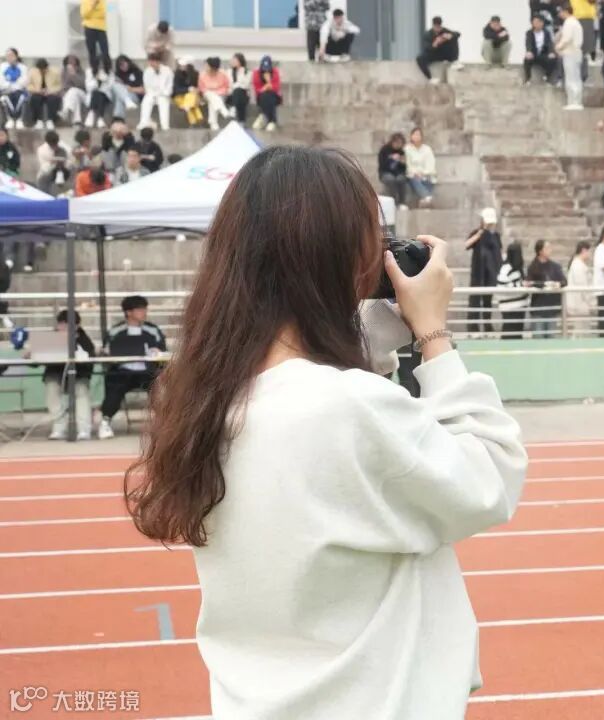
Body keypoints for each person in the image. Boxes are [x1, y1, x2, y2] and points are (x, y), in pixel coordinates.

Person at [123, 146, 527, 719]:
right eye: (371, 240)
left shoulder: (205, 398)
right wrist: (432, 332)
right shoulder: (345, 406)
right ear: (337, 258)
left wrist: (370, 332)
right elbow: (489, 477)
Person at [99, 295, 166, 439]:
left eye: (145, 309)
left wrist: (157, 351)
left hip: (147, 371)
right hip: (122, 372)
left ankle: (163, 423)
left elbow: (162, 350)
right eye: (140, 309)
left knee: (158, 387)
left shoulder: (153, 330)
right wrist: (107, 352)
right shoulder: (115, 331)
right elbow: (106, 351)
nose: (144, 312)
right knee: (113, 387)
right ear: (128, 312)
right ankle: (105, 422)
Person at [38, 310, 96, 441]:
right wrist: (30, 353)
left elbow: (90, 359)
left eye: (67, 324)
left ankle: (84, 428)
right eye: (61, 324)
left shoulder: (83, 339)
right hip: (55, 375)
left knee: (81, 391)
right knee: (52, 389)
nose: (63, 327)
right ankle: (59, 426)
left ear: (77, 326)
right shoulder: (50, 338)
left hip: (79, 376)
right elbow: (35, 361)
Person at [465, 208, 502, 336]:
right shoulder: (477, 233)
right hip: (478, 272)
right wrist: (480, 234)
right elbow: (466, 245)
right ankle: (473, 328)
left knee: (487, 301)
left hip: (490, 273)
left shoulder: (496, 236)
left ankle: (487, 326)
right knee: (474, 300)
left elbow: (499, 252)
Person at [526, 240, 568, 338]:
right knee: (538, 336)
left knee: (551, 337)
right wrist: (544, 284)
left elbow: (564, 281)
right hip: (538, 308)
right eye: (547, 248)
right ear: (540, 251)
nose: (550, 250)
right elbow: (529, 283)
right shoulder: (533, 267)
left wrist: (557, 284)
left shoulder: (555, 266)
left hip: (552, 307)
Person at [496, 242, 529, 339]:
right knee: (509, 333)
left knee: (517, 334)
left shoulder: (518, 268)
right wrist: (521, 285)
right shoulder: (506, 268)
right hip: (510, 307)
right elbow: (501, 284)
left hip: (520, 306)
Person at [556, 5, 586, 110]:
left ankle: (573, 101)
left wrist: (558, 47)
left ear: (566, 11)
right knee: (576, 77)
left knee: (571, 78)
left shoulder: (569, 23)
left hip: (570, 52)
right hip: (576, 52)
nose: (559, 14)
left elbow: (567, 38)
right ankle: (576, 100)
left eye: (561, 12)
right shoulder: (576, 22)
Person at [417, 17, 461, 84]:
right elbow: (426, 48)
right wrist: (435, 44)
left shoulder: (444, 31)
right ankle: (430, 78)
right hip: (434, 54)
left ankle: (455, 61)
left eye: (439, 27)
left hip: (444, 53)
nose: (438, 29)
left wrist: (449, 35)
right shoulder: (428, 34)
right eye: (436, 27)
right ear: (433, 26)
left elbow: (458, 34)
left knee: (453, 38)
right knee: (419, 58)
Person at [566, 241, 595, 337]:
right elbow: (582, 287)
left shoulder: (579, 265)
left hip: (581, 304)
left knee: (582, 331)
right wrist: (591, 302)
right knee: (580, 331)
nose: (590, 254)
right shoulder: (577, 266)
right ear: (583, 251)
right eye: (589, 251)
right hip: (579, 303)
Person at [138, 53, 173, 131]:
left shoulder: (167, 71)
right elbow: (147, 87)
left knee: (163, 102)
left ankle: (165, 126)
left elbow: (169, 86)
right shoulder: (147, 71)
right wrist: (153, 94)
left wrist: (163, 93)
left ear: (158, 62)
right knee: (146, 101)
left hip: (163, 94)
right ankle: (143, 123)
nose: (152, 64)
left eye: (153, 61)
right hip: (151, 94)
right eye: (150, 62)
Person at [405, 127, 436, 208]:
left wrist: (423, 173)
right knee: (414, 178)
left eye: (418, 135)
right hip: (412, 175)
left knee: (428, 179)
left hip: (426, 174)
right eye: (414, 134)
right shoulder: (407, 149)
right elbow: (407, 165)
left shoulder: (427, 149)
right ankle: (427, 197)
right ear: (411, 136)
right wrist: (415, 173)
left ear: (422, 137)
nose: (416, 137)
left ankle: (425, 200)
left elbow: (431, 164)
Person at [524, 14, 559, 85]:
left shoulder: (546, 33)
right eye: (534, 22)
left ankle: (547, 77)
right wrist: (529, 51)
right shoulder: (529, 32)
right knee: (527, 59)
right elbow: (528, 43)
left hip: (543, 54)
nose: (535, 24)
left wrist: (551, 52)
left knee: (553, 59)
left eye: (537, 22)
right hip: (533, 54)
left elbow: (550, 43)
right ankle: (528, 79)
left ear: (542, 23)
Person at [198, 57, 232, 131]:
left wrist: (216, 93)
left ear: (212, 67)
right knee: (210, 94)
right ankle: (223, 110)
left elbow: (226, 87)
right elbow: (202, 88)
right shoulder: (202, 75)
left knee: (212, 101)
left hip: (220, 95)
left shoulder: (222, 74)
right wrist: (212, 93)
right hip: (206, 95)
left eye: (207, 65)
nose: (205, 67)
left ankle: (213, 123)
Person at [27, 59, 62, 130]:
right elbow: (29, 85)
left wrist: (50, 91)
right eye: (40, 70)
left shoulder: (55, 72)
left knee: (53, 99)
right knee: (35, 98)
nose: (42, 71)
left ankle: (50, 120)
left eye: (44, 69)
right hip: (38, 92)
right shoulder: (32, 72)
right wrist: (38, 91)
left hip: (51, 92)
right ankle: (38, 120)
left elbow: (59, 85)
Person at [378, 133, 409, 208]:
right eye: (397, 143)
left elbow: (403, 169)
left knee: (401, 179)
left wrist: (402, 163)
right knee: (390, 179)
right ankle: (394, 202)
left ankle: (402, 202)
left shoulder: (401, 152)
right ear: (392, 142)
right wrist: (391, 158)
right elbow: (382, 165)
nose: (398, 145)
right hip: (385, 173)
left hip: (398, 173)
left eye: (400, 143)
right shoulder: (384, 150)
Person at [0, 48, 29, 130]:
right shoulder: (2, 66)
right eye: (7, 56)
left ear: (16, 56)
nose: (9, 57)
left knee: (21, 97)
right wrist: (9, 86)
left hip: (19, 90)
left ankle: (19, 119)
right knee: (5, 98)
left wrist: (14, 87)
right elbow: (1, 80)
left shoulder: (23, 67)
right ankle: (10, 119)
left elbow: (24, 80)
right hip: (6, 89)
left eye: (11, 55)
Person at [81, 0, 111, 76]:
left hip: (101, 28)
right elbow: (84, 14)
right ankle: (94, 71)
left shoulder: (102, 1)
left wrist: (93, 14)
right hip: (89, 27)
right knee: (92, 51)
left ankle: (107, 71)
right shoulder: (85, 1)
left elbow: (103, 14)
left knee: (105, 51)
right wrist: (93, 5)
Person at [252, 56, 282, 132]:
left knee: (269, 95)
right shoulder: (256, 73)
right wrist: (264, 88)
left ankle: (265, 118)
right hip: (260, 97)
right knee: (265, 95)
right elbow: (257, 89)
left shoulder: (275, 72)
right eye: (264, 69)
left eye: (268, 69)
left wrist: (269, 81)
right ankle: (270, 119)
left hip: (274, 96)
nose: (266, 71)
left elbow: (276, 88)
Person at [172, 58, 203, 128]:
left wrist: (194, 90)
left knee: (190, 98)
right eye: (180, 65)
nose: (182, 67)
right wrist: (188, 89)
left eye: (184, 65)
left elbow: (198, 88)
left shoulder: (195, 74)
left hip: (193, 96)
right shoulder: (177, 74)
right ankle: (199, 118)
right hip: (180, 96)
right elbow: (176, 89)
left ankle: (192, 121)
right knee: (191, 103)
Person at [112, 55, 144, 121]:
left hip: (135, 96)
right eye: (121, 65)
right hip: (124, 95)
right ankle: (127, 101)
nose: (123, 66)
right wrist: (124, 87)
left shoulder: (137, 72)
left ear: (128, 62)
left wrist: (131, 89)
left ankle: (117, 120)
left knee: (120, 96)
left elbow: (143, 89)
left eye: (124, 64)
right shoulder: (118, 74)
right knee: (115, 86)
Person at [60, 55, 87, 126]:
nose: (71, 62)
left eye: (73, 60)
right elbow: (64, 85)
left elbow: (82, 84)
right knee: (74, 95)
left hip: (82, 93)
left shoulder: (81, 71)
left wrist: (73, 75)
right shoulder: (64, 71)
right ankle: (77, 121)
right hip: (69, 94)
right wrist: (69, 74)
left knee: (73, 90)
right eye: (69, 61)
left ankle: (65, 111)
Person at [227, 53, 251, 125]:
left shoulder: (247, 72)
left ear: (240, 61)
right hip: (231, 95)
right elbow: (229, 84)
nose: (233, 62)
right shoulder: (229, 72)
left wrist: (241, 72)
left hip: (243, 94)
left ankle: (234, 108)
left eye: (235, 60)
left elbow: (246, 85)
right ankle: (241, 121)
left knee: (239, 91)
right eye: (232, 60)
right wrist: (238, 85)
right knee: (238, 91)